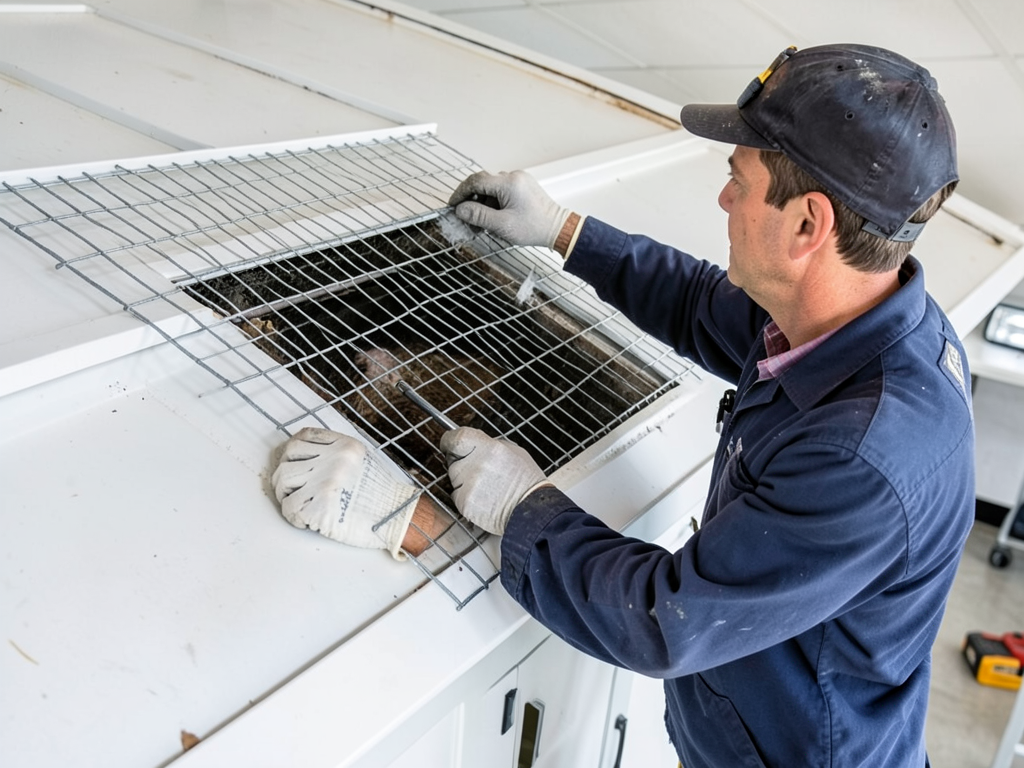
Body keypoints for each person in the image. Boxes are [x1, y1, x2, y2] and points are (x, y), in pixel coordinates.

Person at [272, 44, 975, 767]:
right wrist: (564, 232)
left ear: (808, 226)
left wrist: (523, 508)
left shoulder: (864, 454)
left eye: (739, 180)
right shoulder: (861, 318)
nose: (724, 199)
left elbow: (663, 620)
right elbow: (704, 305)